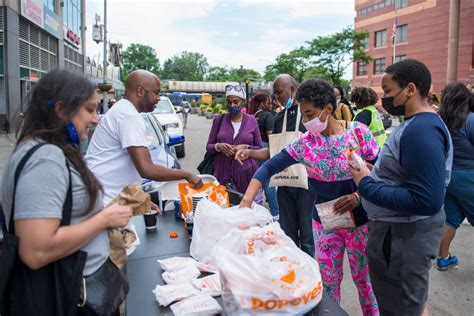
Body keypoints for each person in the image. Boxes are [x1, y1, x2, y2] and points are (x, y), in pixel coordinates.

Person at [239, 79, 380, 315]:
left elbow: (382, 172)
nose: (305, 122)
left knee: (365, 284)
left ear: (328, 108)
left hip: (361, 222)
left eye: (309, 114)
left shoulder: (358, 134)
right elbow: (267, 167)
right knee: (328, 284)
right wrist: (246, 201)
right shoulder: (305, 144)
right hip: (325, 223)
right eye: (303, 116)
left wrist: (357, 195)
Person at [1, 69, 133, 314]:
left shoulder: (43, 150)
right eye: (90, 110)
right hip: (71, 297)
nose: (96, 119)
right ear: (61, 110)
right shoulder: (46, 159)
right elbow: (36, 250)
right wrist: (104, 219)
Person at [349, 59, 453, 316]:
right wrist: (373, 173)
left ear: (410, 89)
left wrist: (366, 183)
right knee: (410, 305)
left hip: (404, 236)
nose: (384, 98)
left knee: (403, 307)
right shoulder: (415, 124)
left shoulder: (422, 130)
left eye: (388, 91)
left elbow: (425, 199)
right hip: (397, 233)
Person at [86, 70, 202, 204]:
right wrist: (187, 175)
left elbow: (120, 167)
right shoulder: (129, 116)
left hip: (104, 199)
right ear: (140, 91)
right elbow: (146, 169)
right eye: (156, 93)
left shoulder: (123, 110)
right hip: (103, 203)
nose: (159, 98)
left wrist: (139, 200)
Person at [437, 82, 474, 270]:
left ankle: (443, 258)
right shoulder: (470, 120)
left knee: (450, 219)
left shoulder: (439, 120)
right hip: (469, 177)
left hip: (448, 177)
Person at [205, 85, 262, 199]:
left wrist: (246, 147)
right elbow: (209, 146)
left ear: (243, 102)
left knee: (246, 212)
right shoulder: (219, 120)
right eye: (229, 102)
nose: (232, 105)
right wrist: (218, 146)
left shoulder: (252, 121)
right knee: (225, 210)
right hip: (222, 175)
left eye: (236, 102)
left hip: (247, 175)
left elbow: (259, 148)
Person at [252, 92, 279, 219]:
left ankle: (257, 208)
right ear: (263, 103)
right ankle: (275, 212)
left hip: (254, 149)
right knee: (269, 181)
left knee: (259, 178)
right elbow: (271, 136)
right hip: (265, 148)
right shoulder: (267, 115)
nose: (271, 103)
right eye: (268, 101)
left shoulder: (253, 115)